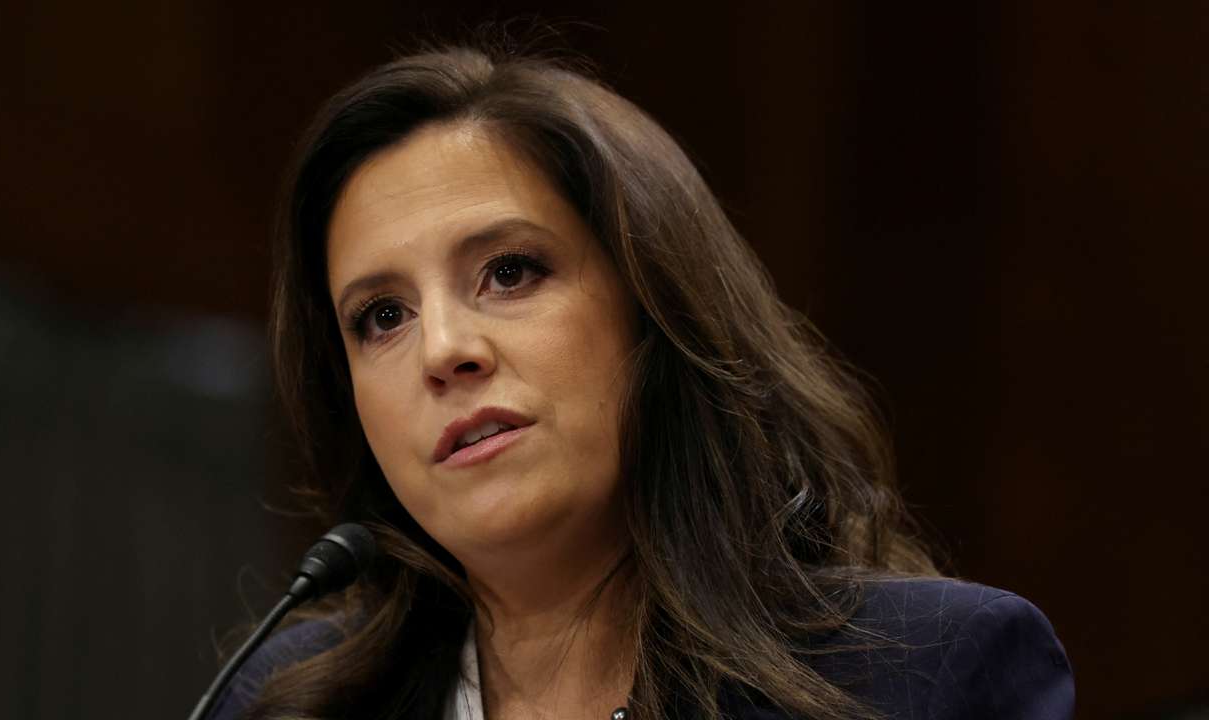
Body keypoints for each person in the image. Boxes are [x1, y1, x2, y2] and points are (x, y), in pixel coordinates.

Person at [210, 43, 1075, 720]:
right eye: (381, 317)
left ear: (655, 309)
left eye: (509, 272)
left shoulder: (926, 678)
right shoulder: (285, 703)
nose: (443, 349)